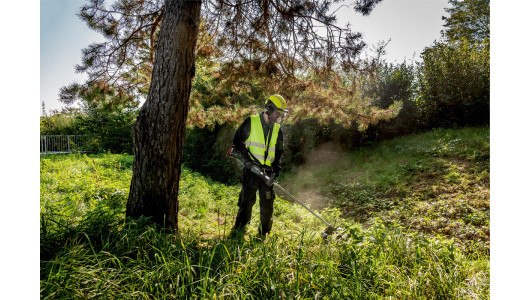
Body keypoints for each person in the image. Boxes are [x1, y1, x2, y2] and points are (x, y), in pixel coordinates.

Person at [229, 94, 288, 239]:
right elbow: (237, 143)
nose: (279, 116)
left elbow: (279, 152)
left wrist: (275, 171)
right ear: (268, 108)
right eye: (277, 112)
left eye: (281, 114)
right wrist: (248, 162)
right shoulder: (251, 121)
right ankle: (239, 230)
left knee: (267, 205)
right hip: (251, 171)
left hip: (267, 172)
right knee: (246, 202)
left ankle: (264, 234)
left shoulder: (277, 130)